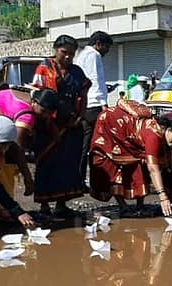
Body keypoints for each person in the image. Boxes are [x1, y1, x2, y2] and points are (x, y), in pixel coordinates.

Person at [89, 102, 172, 215]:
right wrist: (162, 196)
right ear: (168, 130)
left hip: (133, 141)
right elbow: (153, 168)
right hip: (112, 128)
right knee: (113, 169)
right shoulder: (154, 136)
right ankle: (122, 205)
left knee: (140, 168)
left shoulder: (169, 141)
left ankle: (140, 205)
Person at [31, 34, 92, 216]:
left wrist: (80, 116)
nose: (68, 57)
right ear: (56, 50)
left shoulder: (77, 72)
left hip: (70, 126)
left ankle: (61, 204)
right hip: (47, 126)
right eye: (64, 52)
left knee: (67, 164)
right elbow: (36, 95)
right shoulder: (44, 68)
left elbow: (83, 94)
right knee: (46, 163)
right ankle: (44, 205)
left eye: (71, 54)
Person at [74, 31, 113, 186]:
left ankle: (80, 178)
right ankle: (87, 179)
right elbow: (95, 80)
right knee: (94, 144)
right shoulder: (93, 55)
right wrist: (103, 103)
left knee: (84, 144)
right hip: (93, 106)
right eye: (106, 48)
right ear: (99, 44)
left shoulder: (82, 55)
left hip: (85, 105)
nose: (106, 52)